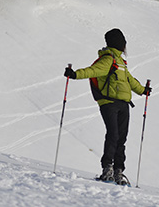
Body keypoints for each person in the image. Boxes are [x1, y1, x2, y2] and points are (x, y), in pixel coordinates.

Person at [64, 28, 150, 185]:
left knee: (121, 138)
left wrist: (143, 90)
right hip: (109, 103)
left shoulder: (120, 63)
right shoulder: (108, 59)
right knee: (113, 135)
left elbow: (130, 81)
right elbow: (93, 71)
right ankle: (107, 169)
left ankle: (118, 171)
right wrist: (75, 74)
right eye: (123, 42)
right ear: (119, 44)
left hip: (124, 104)